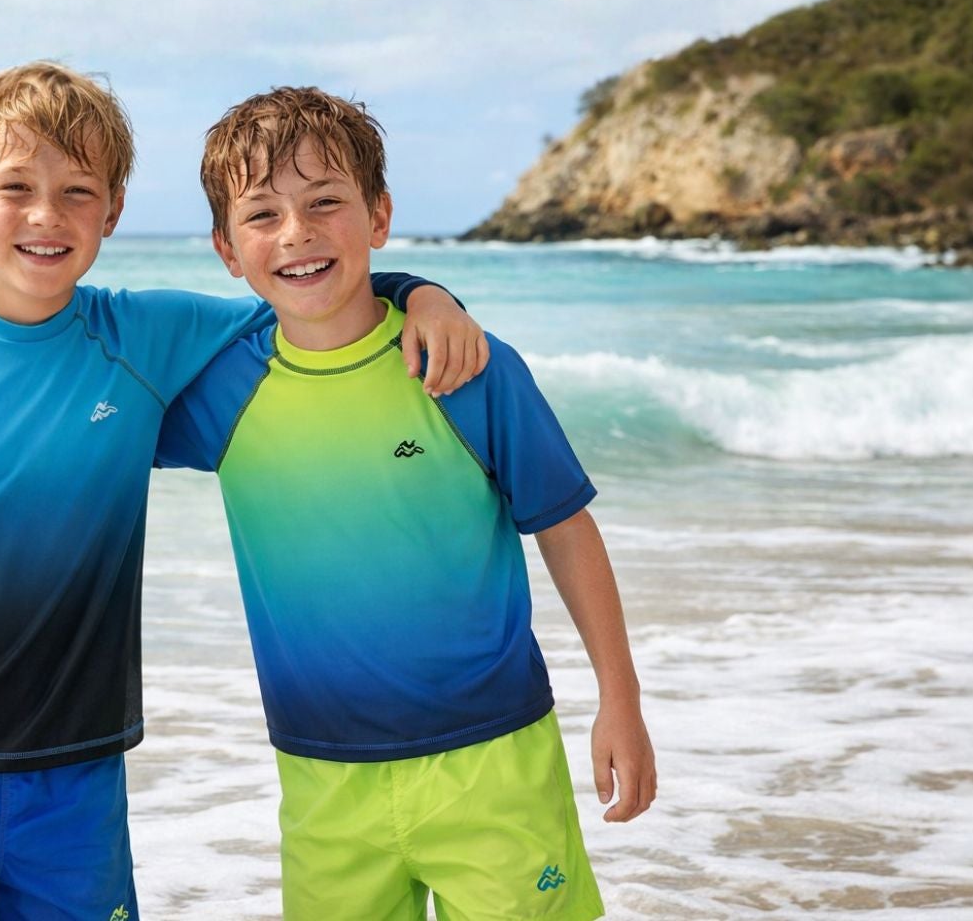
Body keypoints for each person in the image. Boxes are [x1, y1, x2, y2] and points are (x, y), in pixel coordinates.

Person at [0, 61, 487, 921]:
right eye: (15, 188)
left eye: (79, 192)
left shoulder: (142, 337)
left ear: (112, 212)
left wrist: (423, 292)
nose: (46, 215)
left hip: (75, 787)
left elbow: (307, 295)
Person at [156, 86, 657, 920]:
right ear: (225, 249)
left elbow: (566, 529)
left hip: (494, 762)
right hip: (322, 779)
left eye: (326, 203)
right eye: (263, 215)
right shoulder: (219, 390)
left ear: (379, 215)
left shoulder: (465, 367)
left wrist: (621, 699)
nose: (297, 233)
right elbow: (68, 375)